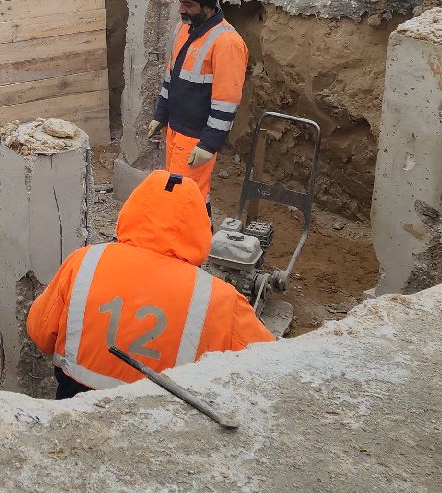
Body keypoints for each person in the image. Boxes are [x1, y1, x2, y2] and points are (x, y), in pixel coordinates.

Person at [27, 170, 272, 397]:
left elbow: (40, 332)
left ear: (131, 210)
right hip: (162, 422)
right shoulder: (220, 300)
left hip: (75, 408)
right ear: (199, 227)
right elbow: (270, 368)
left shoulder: (84, 261)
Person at [147, 0, 248, 200]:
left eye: (189, 5)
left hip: (195, 137)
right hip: (175, 129)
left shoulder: (227, 43)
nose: (181, 10)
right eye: (181, 2)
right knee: (181, 194)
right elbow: (171, 77)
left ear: (209, 5)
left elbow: (227, 102)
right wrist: (161, 114)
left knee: (185, 197)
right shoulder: (183, 29)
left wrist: (208, 144)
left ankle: (196, 226)